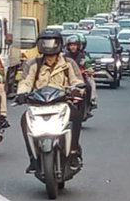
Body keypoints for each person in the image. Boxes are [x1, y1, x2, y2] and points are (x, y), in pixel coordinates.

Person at [16, 29, 85, 170]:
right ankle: (33, 158)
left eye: (53, 42)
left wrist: (77, 89)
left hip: (62, 102)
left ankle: (73, 153)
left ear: (59, 44)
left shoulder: (69, 63)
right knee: (24, 120)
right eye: (45, 42)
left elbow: (77, 80)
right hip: (38, 104)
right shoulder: (32, 64)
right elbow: (26, 81)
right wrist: (22, 94)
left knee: (76, 117)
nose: (49, 45)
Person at [65, 33, 98, 110]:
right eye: (71, 45)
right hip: (67, 78)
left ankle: (89, 103)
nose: (73, 47)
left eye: (75, 45)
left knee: (89, 86)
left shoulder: (83, 56)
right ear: (68, 46)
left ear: (78, 46)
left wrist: (89, 70)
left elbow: (88, 66)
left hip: (81, 78)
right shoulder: (64, 56)